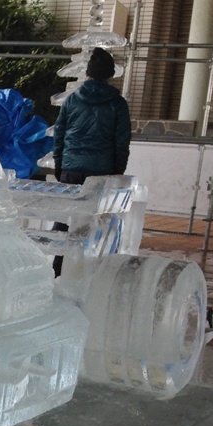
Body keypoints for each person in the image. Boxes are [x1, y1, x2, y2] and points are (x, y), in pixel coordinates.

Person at [51, 47, 132, 275]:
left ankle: (57, 268)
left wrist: (61, 164)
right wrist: (116, 172)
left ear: (87, 73)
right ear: (109, 75)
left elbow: (60, 134)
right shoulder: (117, 104)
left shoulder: (72, 100)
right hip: (102, 171)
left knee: (67, 218)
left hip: (72, 169)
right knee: (97, 222)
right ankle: (90, 271)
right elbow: (121, 142)